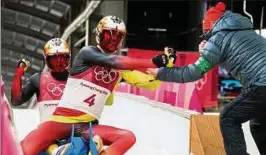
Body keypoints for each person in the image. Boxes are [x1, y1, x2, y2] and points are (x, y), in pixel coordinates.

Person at [21, 15, 175, 155]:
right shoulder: (86, 53)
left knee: (127, 137)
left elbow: (151, 83)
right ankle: (58, 151)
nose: (114, 38)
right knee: (24, 148)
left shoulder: (122, 70)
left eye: (118, 35)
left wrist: (167, 67)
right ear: (99, 35)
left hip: (87, 127)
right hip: (62, 121)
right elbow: (113, 61)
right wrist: (152, 61)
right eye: (109, 33)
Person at [147, 2, 266, 155]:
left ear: (209, 28)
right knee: (258, 124)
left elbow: (192, 73)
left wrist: (161, 73)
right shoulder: (245, 30)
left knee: (228, 118)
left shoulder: (217, 40)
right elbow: (237, 54)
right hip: (262, 83)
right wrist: (210, 53)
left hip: (261, 85)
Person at [11, 38, 71, 123]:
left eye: (62, 59)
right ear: (46, 60)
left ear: (68, 58)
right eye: (54, 60)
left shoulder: (77, 78)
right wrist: (19, 72)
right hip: (47, 133)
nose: (59, 63)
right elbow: (16, 100)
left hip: (73, 132)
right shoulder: (38, 79)